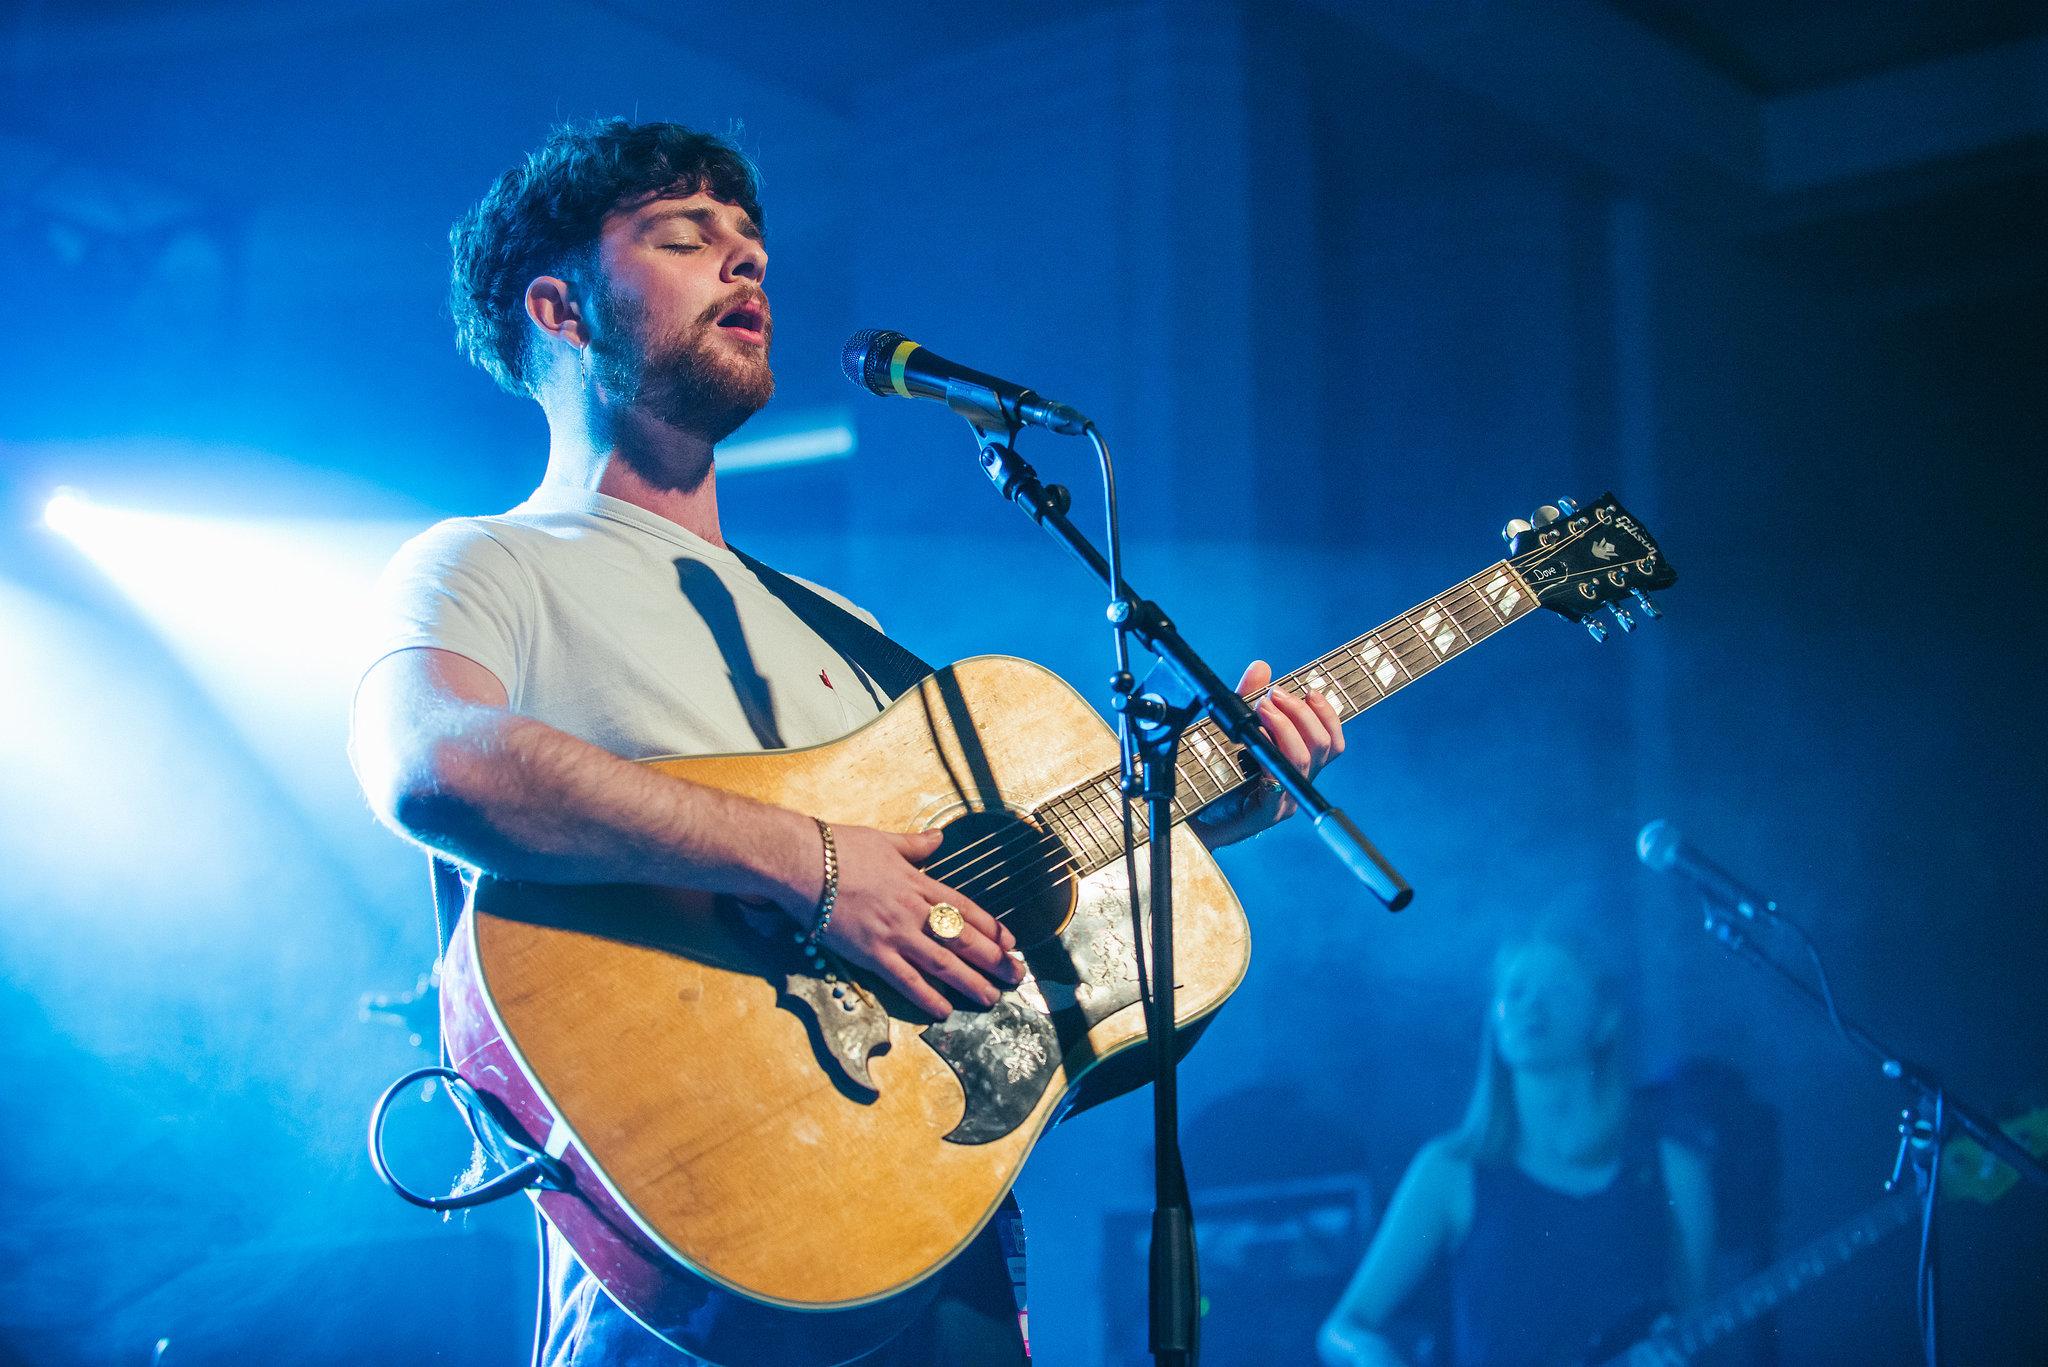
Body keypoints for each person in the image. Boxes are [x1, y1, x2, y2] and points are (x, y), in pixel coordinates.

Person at [348, 118, 1345, 1367]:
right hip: (689, 1259)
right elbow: (430, 762)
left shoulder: (849, 633)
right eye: (683, 237)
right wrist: (814, 863)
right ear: (558, 307)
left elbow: (979, 891)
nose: (745, 263)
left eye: (752, 244)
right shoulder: (483, 560)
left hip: (925, 1232)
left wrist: (1209, 796)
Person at [1318, 928, 1716, 1367]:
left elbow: (1699, 1331)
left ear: (1605, 1019)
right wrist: (1374, 1357)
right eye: (1516, 991)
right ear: (1495, 1017)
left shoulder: (1674, 1170)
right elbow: (1344, 1328)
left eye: (1557, 989)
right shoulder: (1450, 1171)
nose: (1531, 1005)